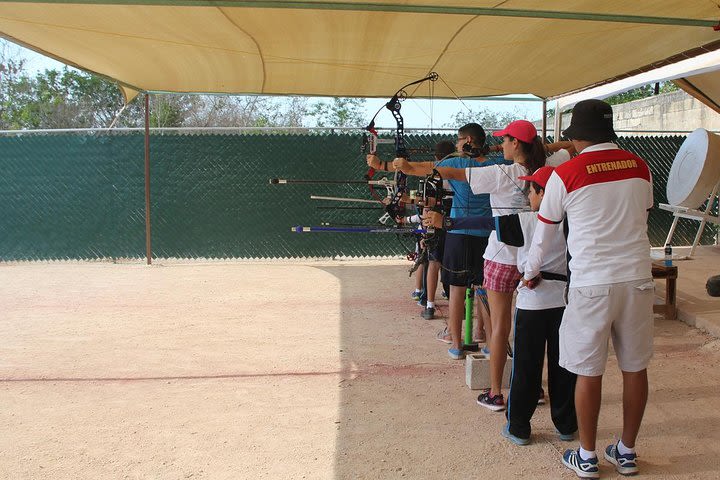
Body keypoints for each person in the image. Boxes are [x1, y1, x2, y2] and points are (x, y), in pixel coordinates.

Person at [523, 99, 654, 478]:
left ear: (576, 138)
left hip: (591, 284)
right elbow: (641, 213)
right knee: (635, 367)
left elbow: (544, 236)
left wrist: (529, 273)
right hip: (637, 280)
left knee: (588, 371)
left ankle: (587, 456)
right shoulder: (639, 166)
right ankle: (626, 452)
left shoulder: (567, 173)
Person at [395, 119, 546, 410]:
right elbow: (559, 148)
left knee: (500, 326)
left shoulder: (502, 172)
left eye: (505, 140)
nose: (500, 144)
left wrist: (405, 167)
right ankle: (534, 388)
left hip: (502, 255)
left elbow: (448, 170)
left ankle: (495, 393)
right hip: (533, 258)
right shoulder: (542, 171)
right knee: (530, 327)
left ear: (516, 144)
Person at [425, 166, 577, 445]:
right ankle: (566, 425)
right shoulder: (574, 221)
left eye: (531, 190)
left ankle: (519, 427)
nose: (527, 194)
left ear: (543, 193)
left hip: (533, 306)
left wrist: (445, 223)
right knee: (563, 366)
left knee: (526, 368)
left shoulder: (527, 221)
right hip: (564, 305)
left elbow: (486, 224)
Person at [370, 123, 505, 359]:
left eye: (459, 140)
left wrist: (384, 165)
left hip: (458, 232)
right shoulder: (499, 164)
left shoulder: (456, 163)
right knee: (484, 288)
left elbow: (420, 169)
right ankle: (487, 339)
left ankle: (456, 344)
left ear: (469, 141)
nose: (456, 144)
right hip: (487, 233)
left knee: (457, 289)